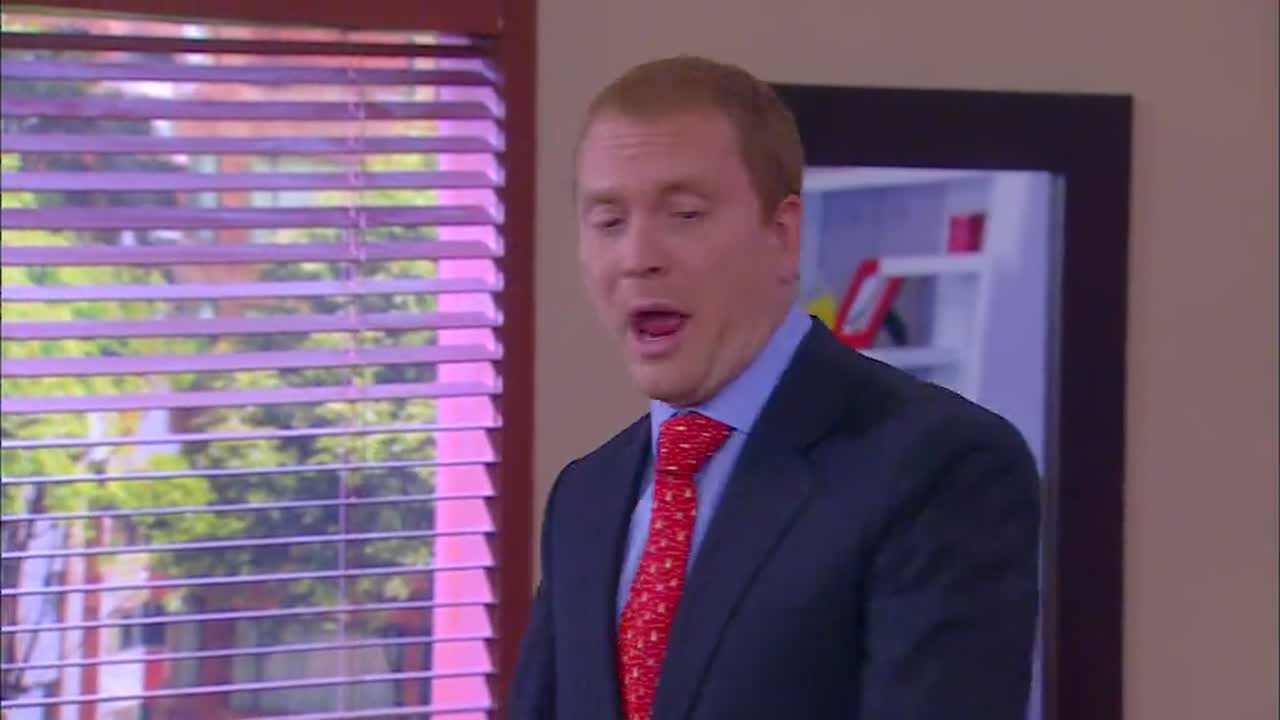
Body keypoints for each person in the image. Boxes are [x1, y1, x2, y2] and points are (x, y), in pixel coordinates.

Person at [511, 55, 1041, 720]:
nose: (637, 258)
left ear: (783, 235)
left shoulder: (942, 467)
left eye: (685, 215)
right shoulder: (585, 497)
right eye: (609, 222)